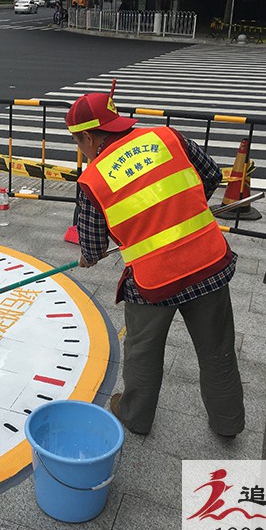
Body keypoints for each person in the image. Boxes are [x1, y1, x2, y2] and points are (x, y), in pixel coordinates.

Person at [65, 86, 245, 438]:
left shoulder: (93, 179)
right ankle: (228, 423)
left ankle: (136, 416)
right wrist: (181, 208)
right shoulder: (167, 137)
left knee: (142, 351)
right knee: (217, 349)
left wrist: (88, 257)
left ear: (87, 136)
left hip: (154, 281)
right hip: (208, 262)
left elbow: (93, 245)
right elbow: (211, 175)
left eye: (77, 141)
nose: (80, 149)